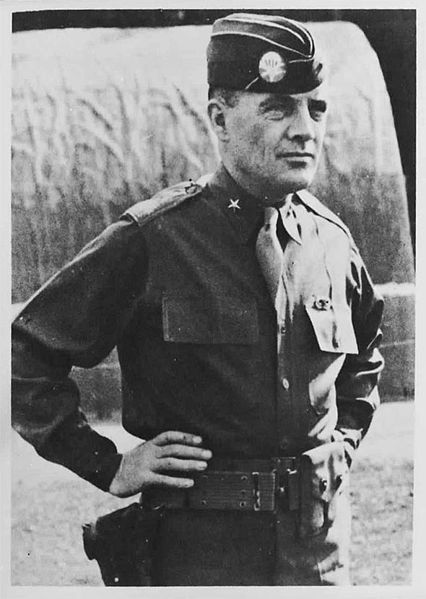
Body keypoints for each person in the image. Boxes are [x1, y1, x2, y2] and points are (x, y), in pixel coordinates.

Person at [12, 13, 384, 586]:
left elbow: (366, 355)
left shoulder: (332, 243)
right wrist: (107, 464)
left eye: (316, 108)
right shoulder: (154, 238)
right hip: (198, 557)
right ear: (220, 119)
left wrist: (342, 446)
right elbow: (25, 354)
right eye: (277, 109)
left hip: (317, 557)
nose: (305, 129)